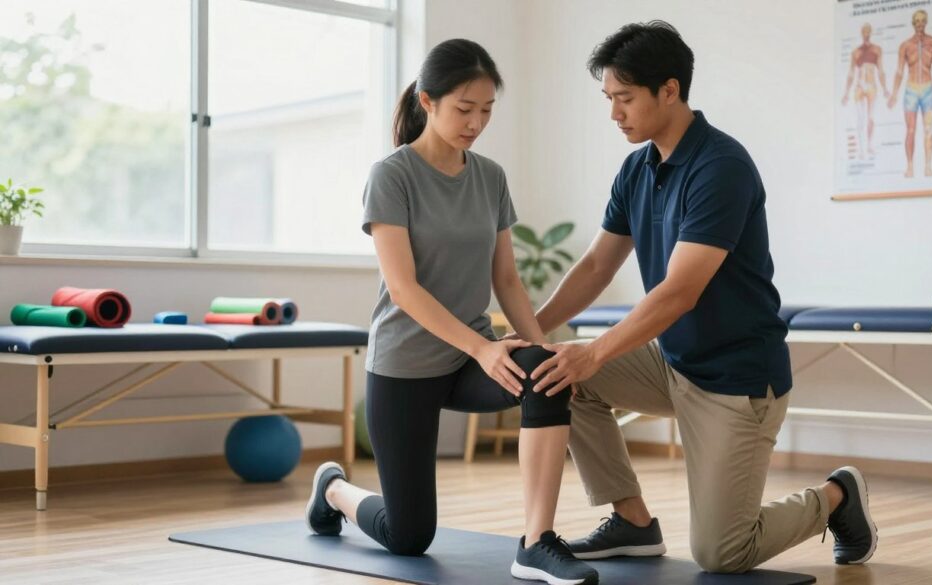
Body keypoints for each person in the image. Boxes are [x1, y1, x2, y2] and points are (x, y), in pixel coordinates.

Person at [523, 21, 878, 573]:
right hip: (672, 362)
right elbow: (596, 264)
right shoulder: (636, 168)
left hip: (735, 380)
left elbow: (680, 292)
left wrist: (594, 350)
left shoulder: (721, 167)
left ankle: (836, 497)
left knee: (721, 553)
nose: (614, 113)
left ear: (670, 90)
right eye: (608, 99)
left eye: (625, 98)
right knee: (562, 375)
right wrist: (532, 328)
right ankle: (633, 521)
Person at [303, 39, 597, 585]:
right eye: (465, 109)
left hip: (469, 362)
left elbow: (505, 278)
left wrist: (543, 345)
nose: (476, 123)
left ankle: (537, 541)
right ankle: (334, 489)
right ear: (427, 101)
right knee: (409, 537)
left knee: (546, 375)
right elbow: (405, 289)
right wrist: (483, 348)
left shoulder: (490, 176)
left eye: (486, 110)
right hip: (405, 365)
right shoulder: (392, 175)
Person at [888, 9, 932, 178]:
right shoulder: (905, 45)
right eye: (916, 21)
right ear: (913, 23)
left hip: (927, 90)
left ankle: (928, 166)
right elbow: (899, 72)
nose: (919, 24)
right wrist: (894, 94)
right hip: (911, 90)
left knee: (929, 130)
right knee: (910, 130)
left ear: (926, 22)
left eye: (922, 20)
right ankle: (910, 167)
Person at [841, 23, 889, 158]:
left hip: (872, 86)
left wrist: (885, 89)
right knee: (860, 119)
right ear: (861, 33)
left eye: (868, 31)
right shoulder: (855, 52)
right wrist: (845, 93)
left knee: (871, 117)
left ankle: (869, 145)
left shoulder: (877, 49)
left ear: (871, 32)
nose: (866, 33)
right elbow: (850, 73)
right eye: (864, 31)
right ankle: (861, 150)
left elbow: (881, 71)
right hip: (859, 86)